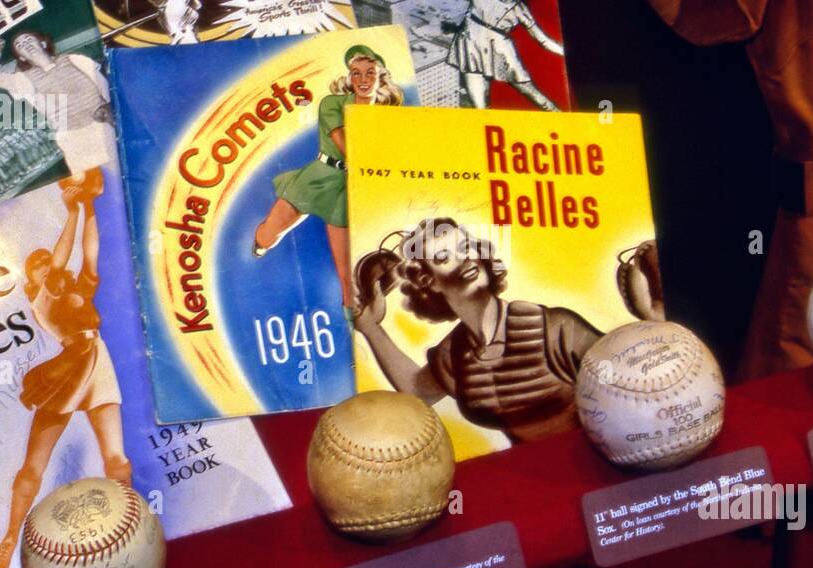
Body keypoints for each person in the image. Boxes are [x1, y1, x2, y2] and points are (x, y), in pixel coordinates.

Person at [0, 172, 130, 568]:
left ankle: (132, 524)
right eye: (41, 266)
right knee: (33, 466)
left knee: (117, 458)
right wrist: (71, 210)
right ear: (32, 282)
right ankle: (11, 536)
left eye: (47, 264)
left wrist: (87, 207)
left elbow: (90, 252)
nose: (49, 266)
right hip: (69, 366)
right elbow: (63, 255)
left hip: (96, 358)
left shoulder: (75, 290)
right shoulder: (42, 297)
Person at [353, 218, 601, 443]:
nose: (466, 259)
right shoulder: (453, 355)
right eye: (443, 258)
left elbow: (623, 369)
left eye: (466, 248)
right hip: (527, 474)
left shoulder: (554, 327)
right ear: (429, 281)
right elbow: (418, 391)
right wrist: (369, 327)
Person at [253, 44, 404, 309]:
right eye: (356, 73)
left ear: (380, 76)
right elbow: (345, 145)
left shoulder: (385, 114)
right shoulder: (332, 104)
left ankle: (354, 319)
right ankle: (260, 244)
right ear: (349, 78)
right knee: (268, 234)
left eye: (370, 72)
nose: (363, 79)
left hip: (348, 190)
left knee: (348, 274)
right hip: (319, 177)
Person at [0, 31, 115, 183]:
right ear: (22, 57)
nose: (25, 44)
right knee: (96, 186)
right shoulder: (24, 80)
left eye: (28, 39)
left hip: (104, 128)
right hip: (75, 140)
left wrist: (109, 108)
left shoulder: (75, 60)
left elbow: (106, 87)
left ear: (43, 43)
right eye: (20, 45)